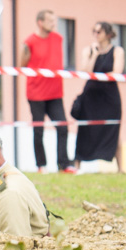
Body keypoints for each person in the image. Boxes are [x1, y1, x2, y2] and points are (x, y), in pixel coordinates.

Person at [20, 9, 75, 174]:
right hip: (36, 93)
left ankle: (64, 164)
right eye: (50, 21)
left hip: (55, 92)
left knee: (63, 127)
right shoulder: (29, 42)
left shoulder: (58, 39)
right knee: (39, 129)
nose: (54, 24)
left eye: (54, 21)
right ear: (40, 22)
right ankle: (41, 165)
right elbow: (22, 64)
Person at [74, 22, 125, 172]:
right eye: (94, 31)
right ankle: (77, 166)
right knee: (84, 130)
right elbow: (85, 72)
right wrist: (95, 55)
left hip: (109, 97)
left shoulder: (117, 50)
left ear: (108, 34)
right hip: (90, 97)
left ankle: (120, 168)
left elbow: (117, 72)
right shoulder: (88, 50)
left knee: (113, 129)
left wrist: (98, 76)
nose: (96, 34)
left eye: (99, 32)